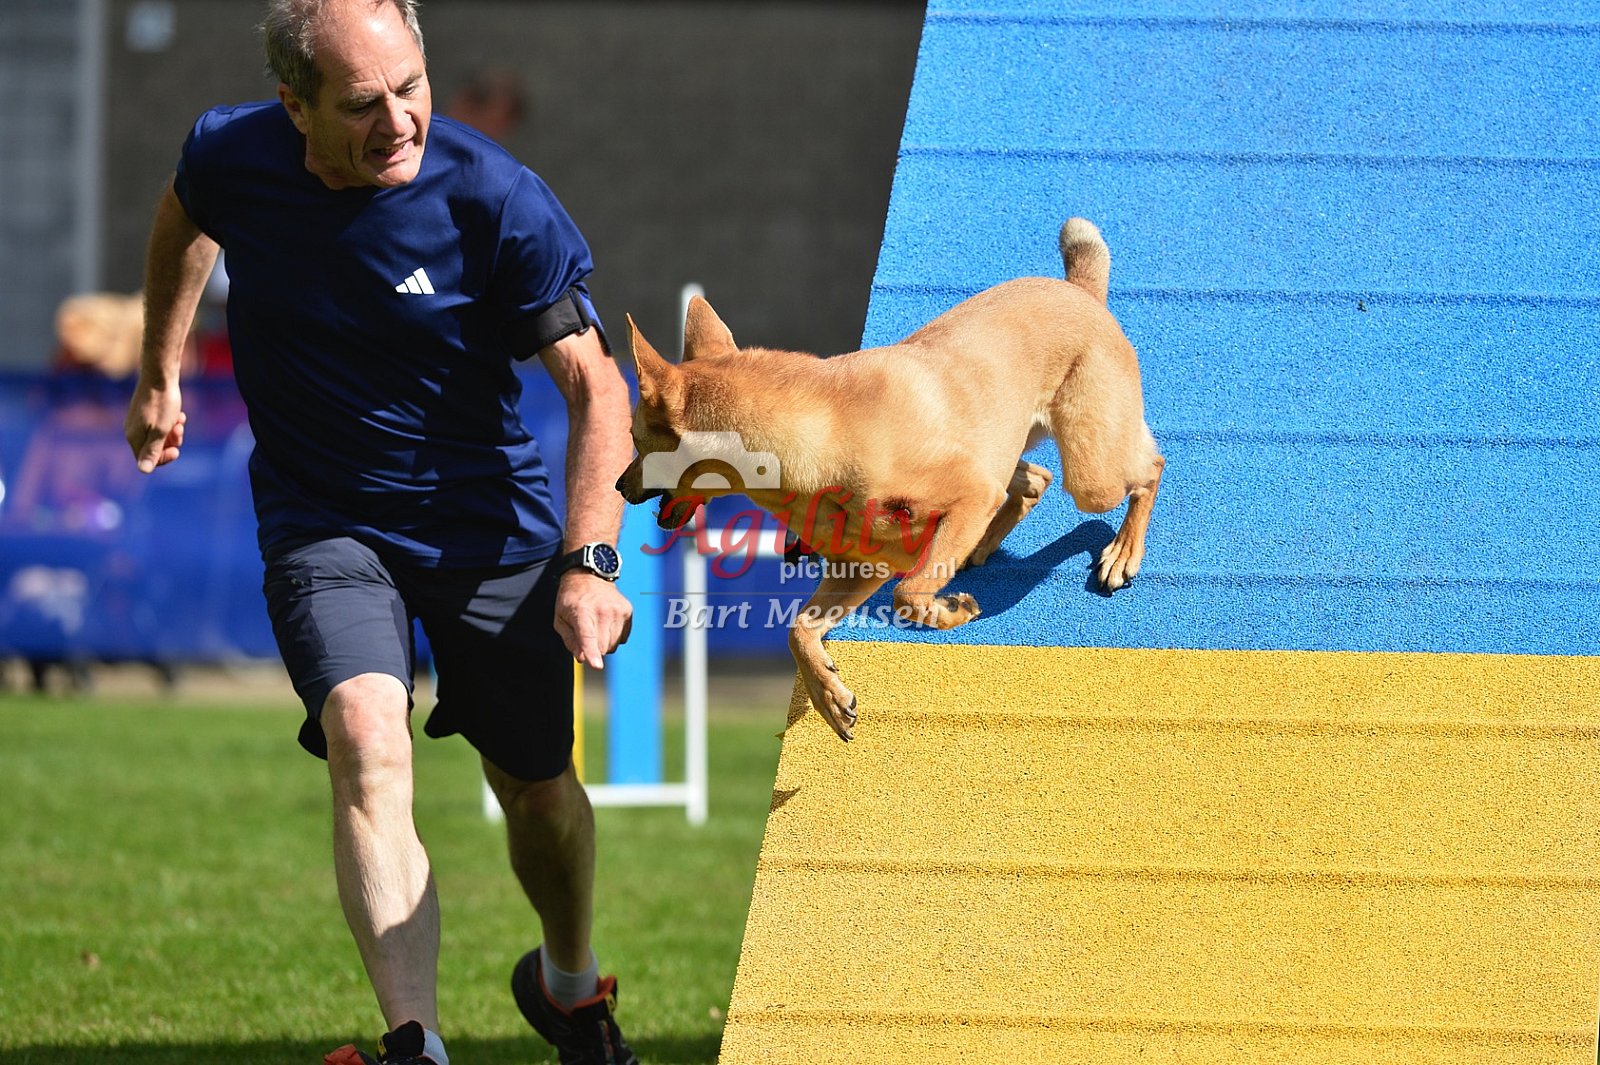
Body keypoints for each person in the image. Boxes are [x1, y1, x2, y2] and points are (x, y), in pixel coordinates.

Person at [122, 2, 638, 1063]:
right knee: (365, 735)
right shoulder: (232, 154)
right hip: (322, 520)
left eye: (412, 87)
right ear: (294, 107)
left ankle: (568, 984)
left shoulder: (494, 197)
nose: (399, 121)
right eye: (363, 104)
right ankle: (415, 1044)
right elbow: (184, 214)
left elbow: (597, 387)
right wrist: (158, 368)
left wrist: (589, 560)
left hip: (485, 527)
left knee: (537, 791)